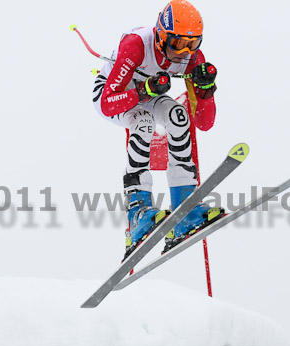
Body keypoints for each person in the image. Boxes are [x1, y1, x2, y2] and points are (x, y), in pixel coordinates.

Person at [92, 0, 222, 258]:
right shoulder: (136, 44)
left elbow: (204, 124)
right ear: (162, 36)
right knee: (143, 123)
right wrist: (142, 89)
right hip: (115, 94)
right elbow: (106, 103)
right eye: (177, 43)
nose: (184, 52)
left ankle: (185, 207)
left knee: (178, 115)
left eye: (193, 44)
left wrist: (206, 92)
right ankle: (138, 212)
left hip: (149, 93)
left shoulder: (193, 59)